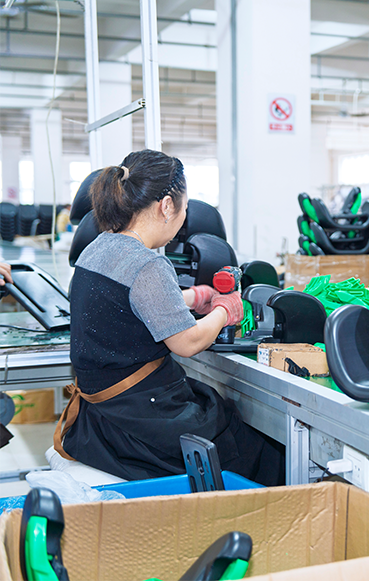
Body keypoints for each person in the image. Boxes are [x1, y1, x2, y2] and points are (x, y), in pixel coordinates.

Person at [56, 149, 284, 485]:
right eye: (184, 207)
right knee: (258, 446)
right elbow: (187, 343)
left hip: (101, 421)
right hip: (143, 429)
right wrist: (225, 310)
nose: (183, 217)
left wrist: (194, 297)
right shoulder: (148, 263)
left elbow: (127, 301)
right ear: (166, 206)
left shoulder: (98, 247)